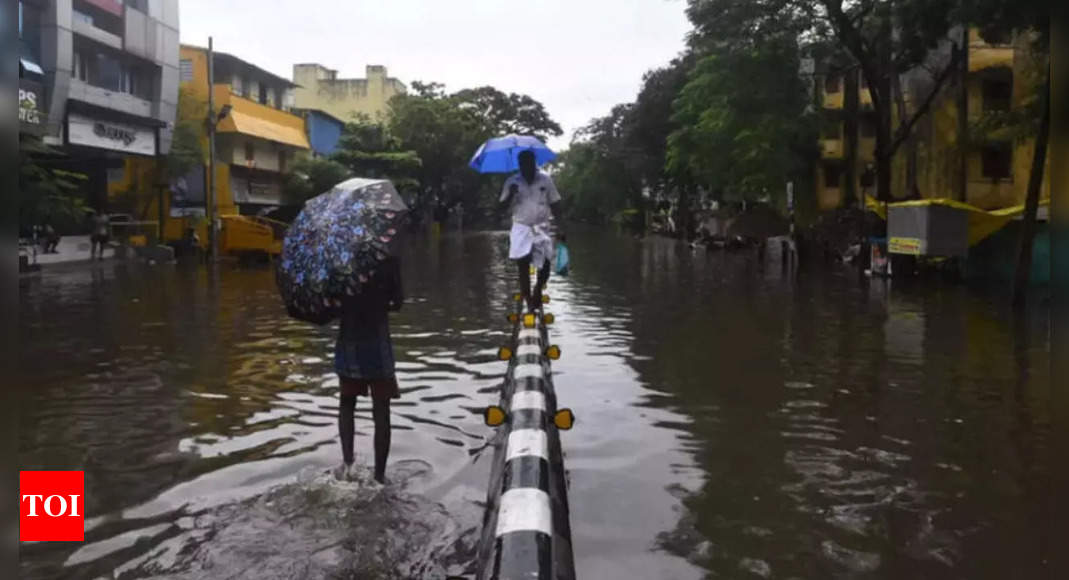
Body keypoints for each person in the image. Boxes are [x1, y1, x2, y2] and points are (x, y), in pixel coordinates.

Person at [334, 256, 403, 484]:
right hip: (378, 346)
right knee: (382, 410)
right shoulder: (386, 257)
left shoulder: (340, 260)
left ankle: (348, 465)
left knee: (347, 403)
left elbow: (331, 303)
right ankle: (380, 476)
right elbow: (398, 301)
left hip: (349, 344)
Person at [501, 149, 562, 311]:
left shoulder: (545, 180)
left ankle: (538, 289)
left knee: (546, 263)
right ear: (519, 165)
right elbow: (500, 208)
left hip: (542, 227)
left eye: (529, 163)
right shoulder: (511, 182)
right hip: (521, 227)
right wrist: (510, 194)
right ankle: (528, 299)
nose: (526, 167)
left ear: (534, 163)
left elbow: (555, 203)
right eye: (523, 164)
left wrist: (562, 227)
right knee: (523, 263)